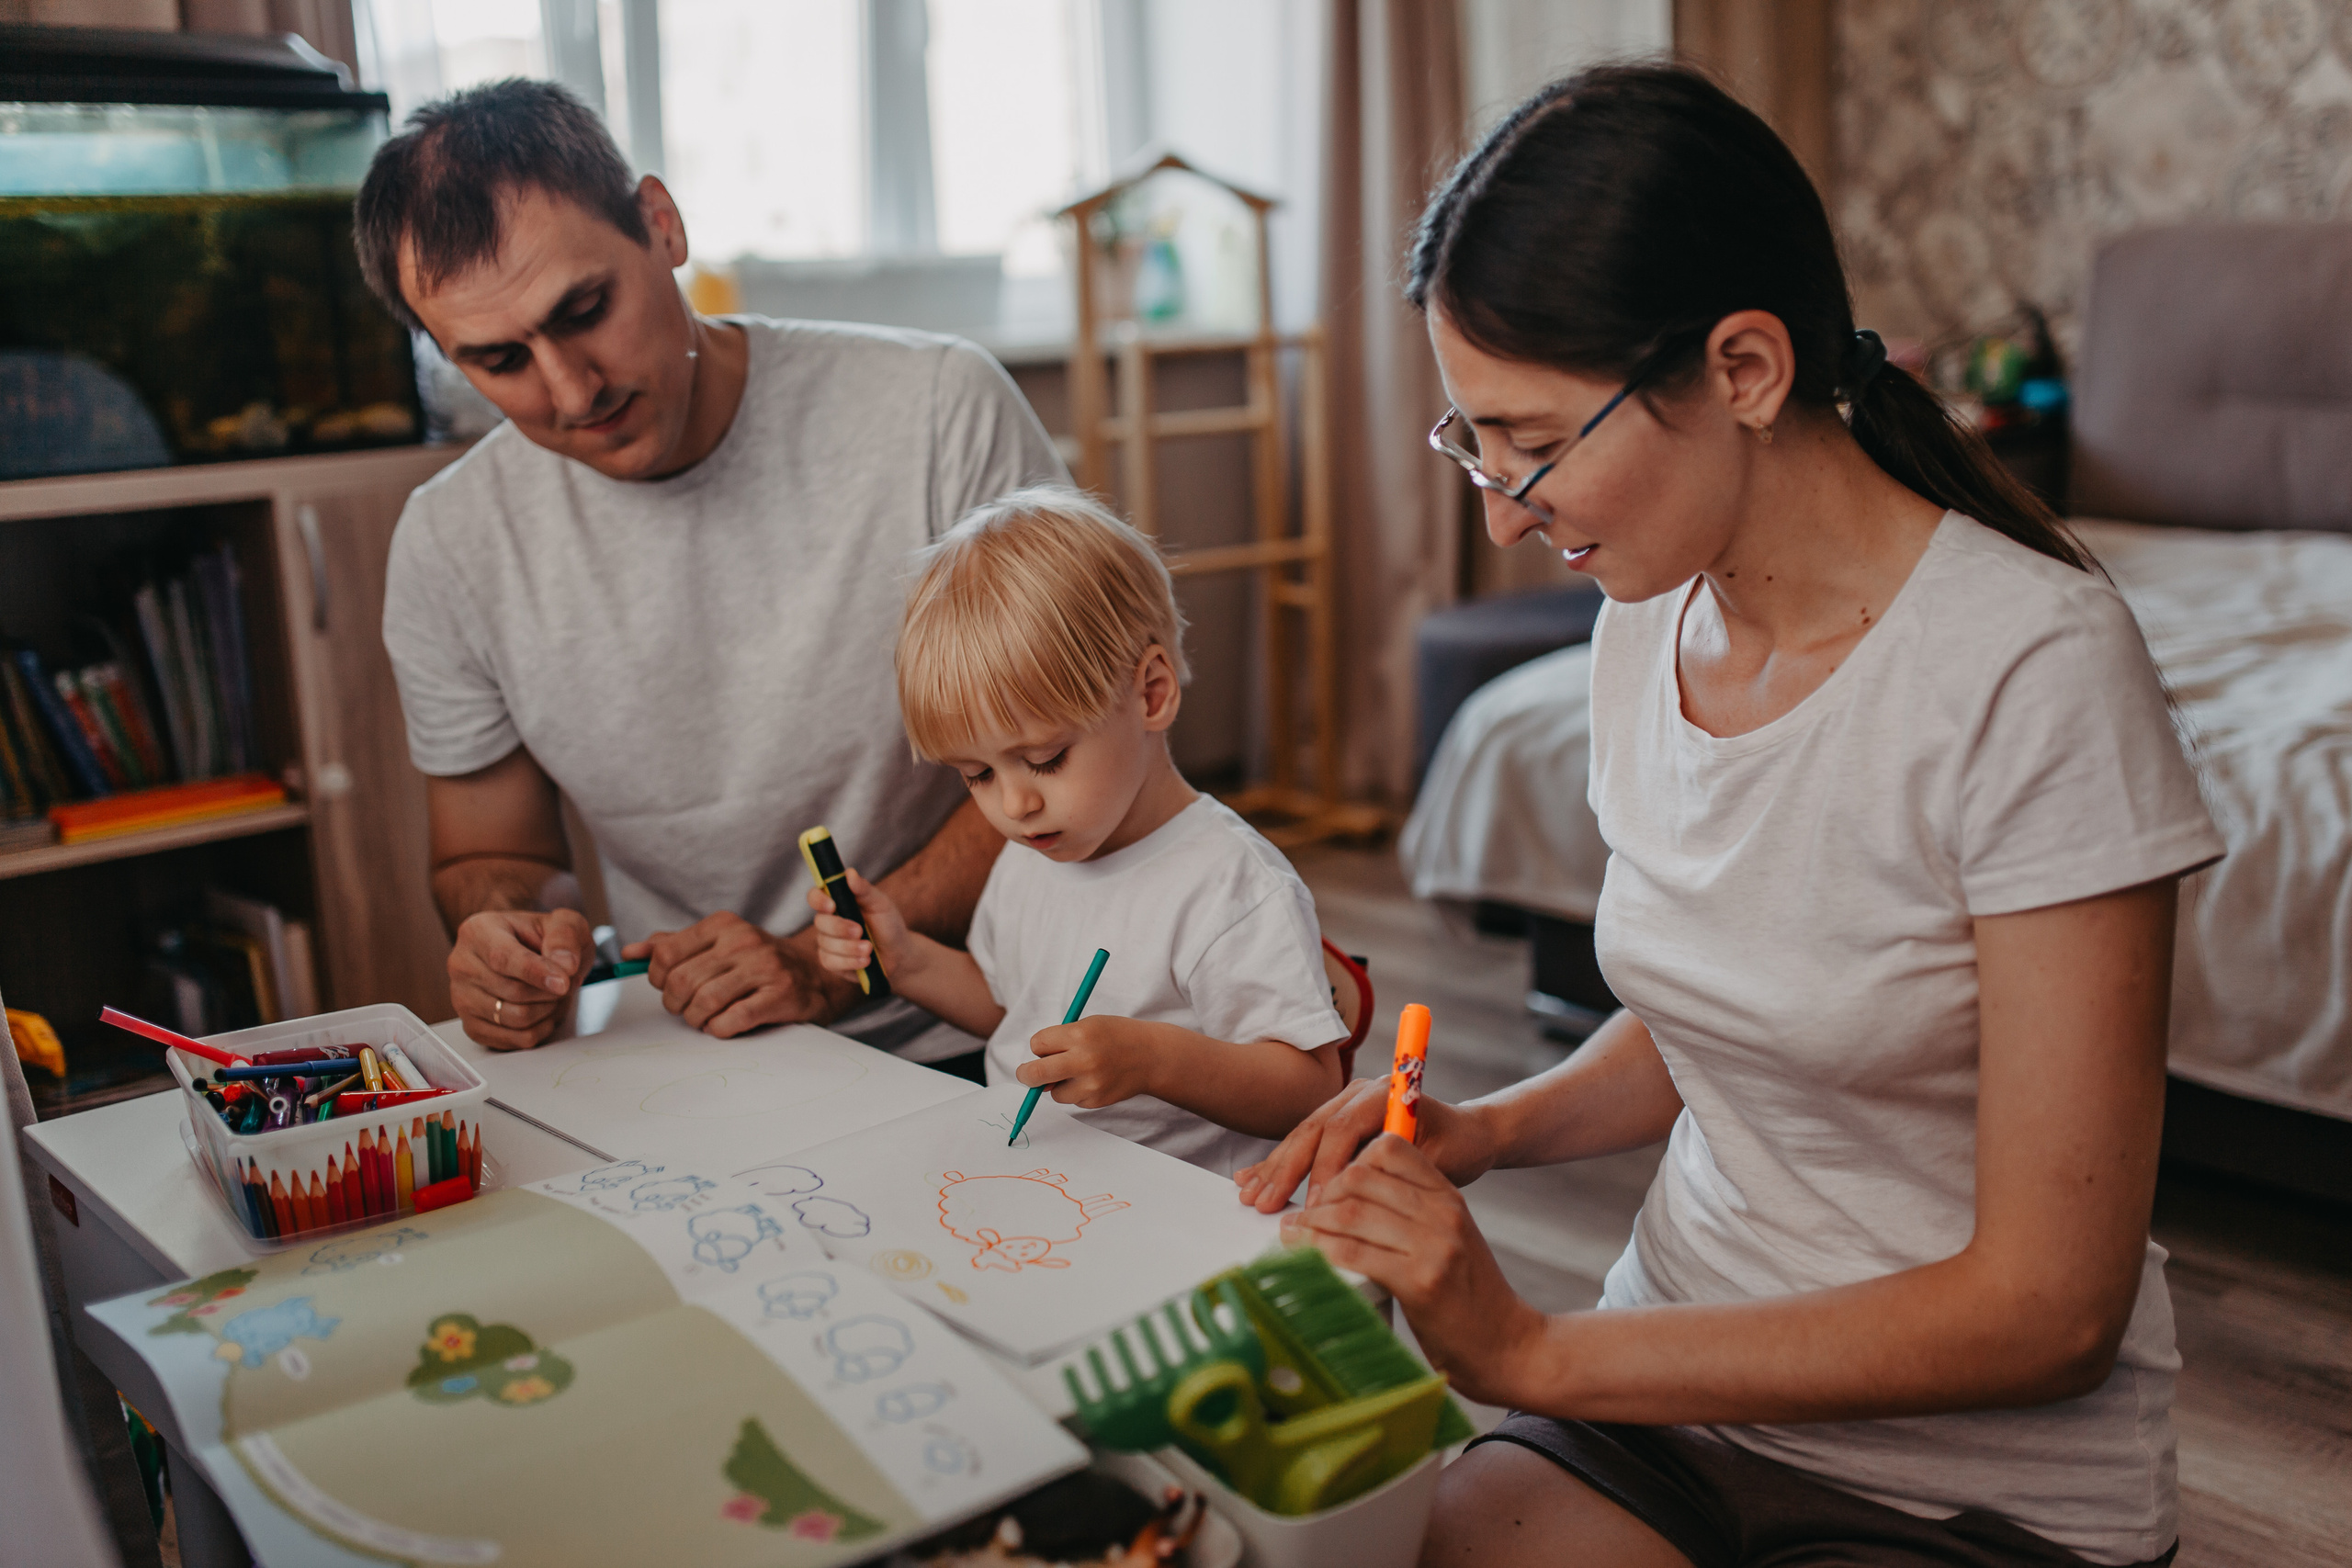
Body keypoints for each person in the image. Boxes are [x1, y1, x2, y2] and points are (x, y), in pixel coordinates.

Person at [1238, 65, 2219, 1568]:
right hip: (1676, 1387)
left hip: (1981, 1487)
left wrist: (1531, 1350)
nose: (1500, 509)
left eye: (1534, 443)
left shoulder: (2032, 671)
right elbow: (1731, 1005)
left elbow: (2053, 1309)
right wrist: (1483, 1129)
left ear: (1746, 368)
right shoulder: (1642, 621)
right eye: (1472, 441)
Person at [354, 81, 1063, 1064]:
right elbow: (492, 850)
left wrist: (825, 962)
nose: (573, 390)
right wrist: (510, 931)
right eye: (501, 360)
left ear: (661, 223)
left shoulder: (940, 410)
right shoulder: (448, 542)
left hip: (1003, 1030)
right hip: (692, 1049)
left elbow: (1082, 753)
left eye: (586, 309)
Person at [806, 488, 1348, 1176]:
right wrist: (906, 959)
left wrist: (1154, 1061)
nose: (1014, 804)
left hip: (1171, 1212)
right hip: (1035, 1185)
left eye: (1044, 759)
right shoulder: (1031, 854)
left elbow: (1311, 1090)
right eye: (977, 774)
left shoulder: (1232, 885)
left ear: (1151, 693)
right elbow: (1013, 1012)